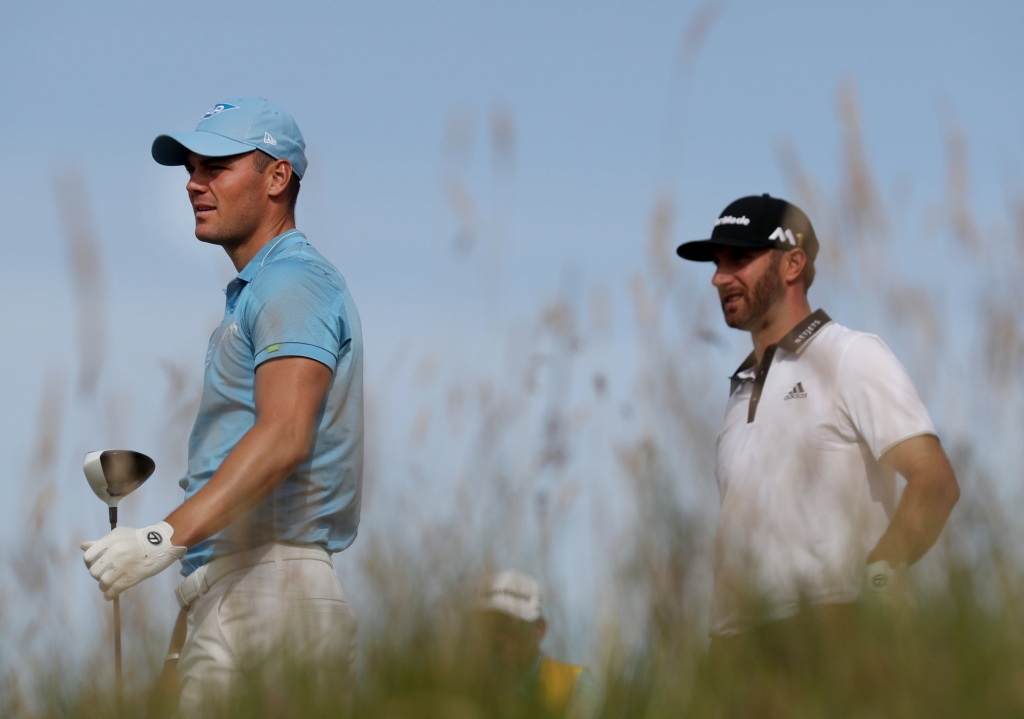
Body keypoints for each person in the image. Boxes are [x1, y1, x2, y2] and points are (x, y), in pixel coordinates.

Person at [81, 97, 363, 714]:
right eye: (190, 168)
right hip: (238, 592)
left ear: (277, 177)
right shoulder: (259, 290)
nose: (193, 183)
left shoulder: (294, 282)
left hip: (274, 593)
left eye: (216, 166)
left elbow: (286, 434)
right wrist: (183, 645)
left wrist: (159, 540)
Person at [675, 193, 960, 649]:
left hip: (832, 625)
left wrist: (881, 575)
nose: (718, 278)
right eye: (716, 262)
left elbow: (935, 480)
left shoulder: (851, 354)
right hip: (734, 642)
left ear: (792, 265)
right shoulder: (739, 389)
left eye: (739, 258)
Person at [474, 570, 600, 719]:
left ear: (540, 630)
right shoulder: (469, 683)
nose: (502, 638)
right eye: (494, 625)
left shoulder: (576, 686)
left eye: (515, 626)